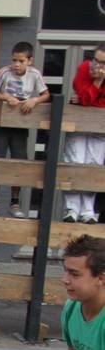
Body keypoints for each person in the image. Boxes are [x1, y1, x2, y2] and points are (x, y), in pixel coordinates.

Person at [0, 42, 50, 219]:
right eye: (14, 60)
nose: (17, 64)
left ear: (29, 60)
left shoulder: (35, 74)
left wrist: (35, 101)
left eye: (21, 61)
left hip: (21, 122)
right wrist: (5, 96)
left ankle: (15, 203)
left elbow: (46, 94)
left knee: (19, 161)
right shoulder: (5, 72)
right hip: (2, 121)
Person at [64, 44, 105, 225]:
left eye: (103, 62)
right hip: (79, 122)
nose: (97, 65)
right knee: (75, 161)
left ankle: (88, 209)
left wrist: (84, 98)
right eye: (96, 60)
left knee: (93, 164)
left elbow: (91, 101)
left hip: (100, 125)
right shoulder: (83, 68)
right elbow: (86, 98)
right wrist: (96, 85)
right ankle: (72, 208)